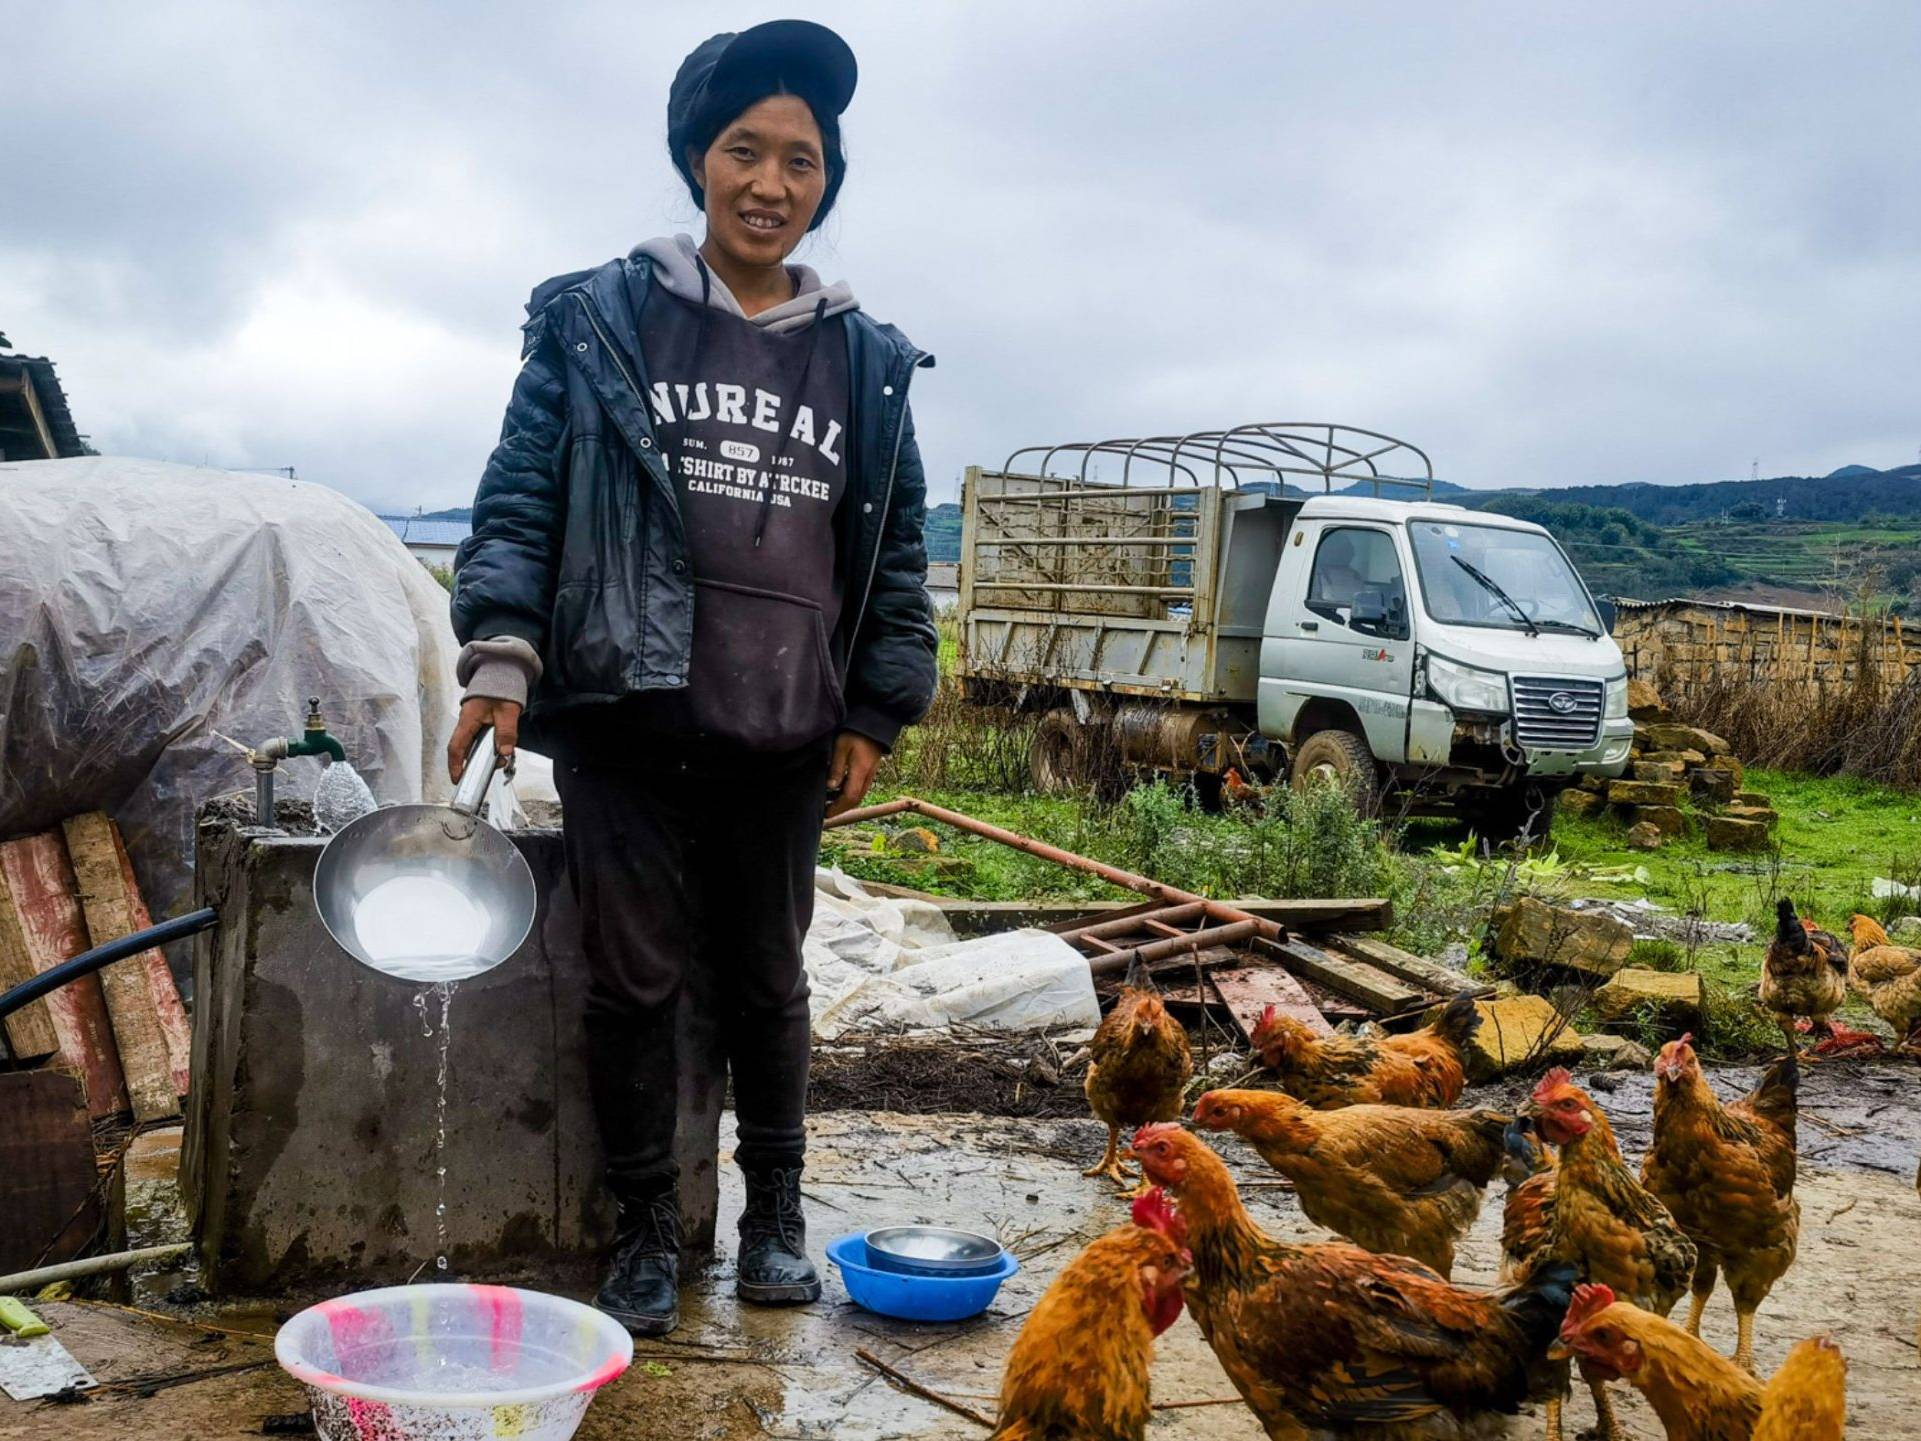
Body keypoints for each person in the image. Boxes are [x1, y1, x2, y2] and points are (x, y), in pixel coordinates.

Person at [447, 19, 938, 1338]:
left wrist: (876, 704)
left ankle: (774, 1215)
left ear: (826, 178)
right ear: (694, 160)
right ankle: (643, 1233)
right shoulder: (603, 316)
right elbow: (521, 499)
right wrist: (498, 656)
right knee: (632, 985)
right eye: (745, 151)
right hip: (626, 714)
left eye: (801, 158)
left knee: (769, 980)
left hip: (783, 728)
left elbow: (890, 551)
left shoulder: (866, 360)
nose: (772, 182)